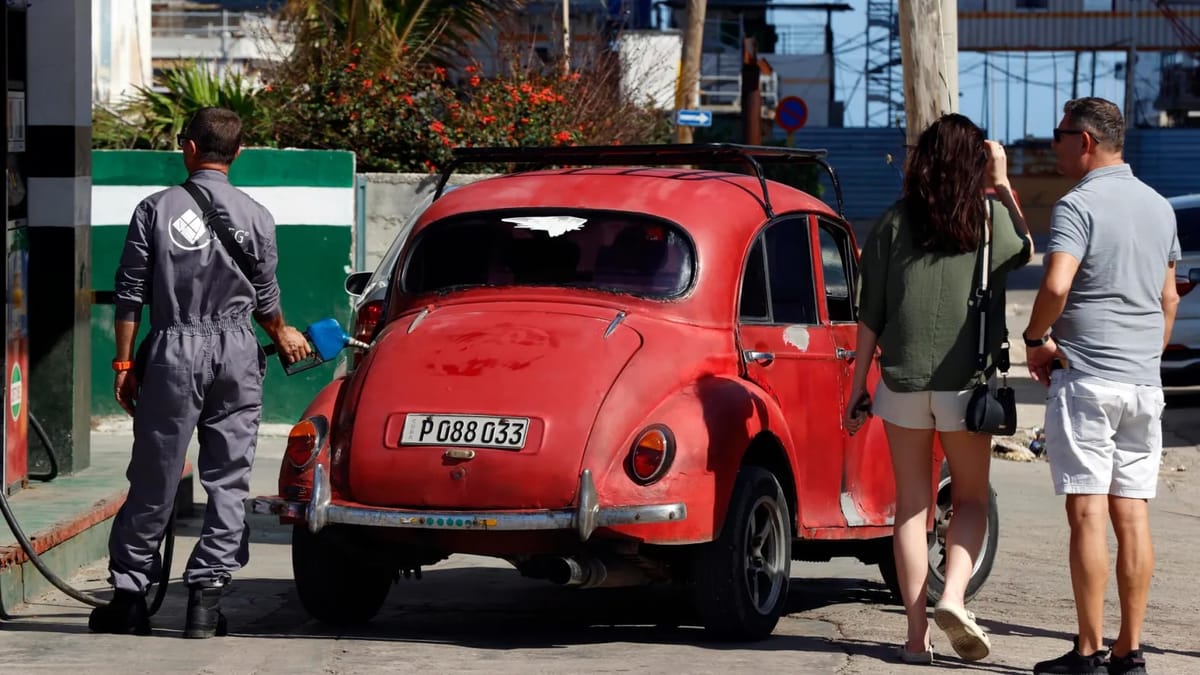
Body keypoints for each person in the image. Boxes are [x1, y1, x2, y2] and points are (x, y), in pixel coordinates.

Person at [88, 107, 311, 638]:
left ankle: (130, 599)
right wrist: (280, 331)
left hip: (173, 350)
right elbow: (268, 299)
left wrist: (124, 363)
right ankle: (205, 605)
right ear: (239, 152)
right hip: (237, 352)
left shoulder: (154, 209)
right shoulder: (258, 214)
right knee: (229, 480)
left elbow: (130, 295)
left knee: (154, 477)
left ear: (188, 148)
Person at [845, 113, 1033, 665]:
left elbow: (869, 314)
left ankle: (914, 636)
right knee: (971, 499)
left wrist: (858, 387)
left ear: (923, 160)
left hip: (901, 382)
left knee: (911, 507)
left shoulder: (895, 222)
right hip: (966, 388)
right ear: (976, 162)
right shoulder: (988, 218)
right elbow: (1024, 248)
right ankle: (953, 597)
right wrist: (999, 180)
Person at [1026, 98, 1178, 675]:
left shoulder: (1077, 205)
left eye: (1059, 136)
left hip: (1088, 379)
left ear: (1085, 141)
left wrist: (1036, 336)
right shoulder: (1160, 207)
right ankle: (1130, 650)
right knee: (1132, 516)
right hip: (1143, 384)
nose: (1054, 146)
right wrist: (1146, 354)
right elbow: (1168, 299)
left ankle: (1087, 652)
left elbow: (1058, 282)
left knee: (1088, 514)